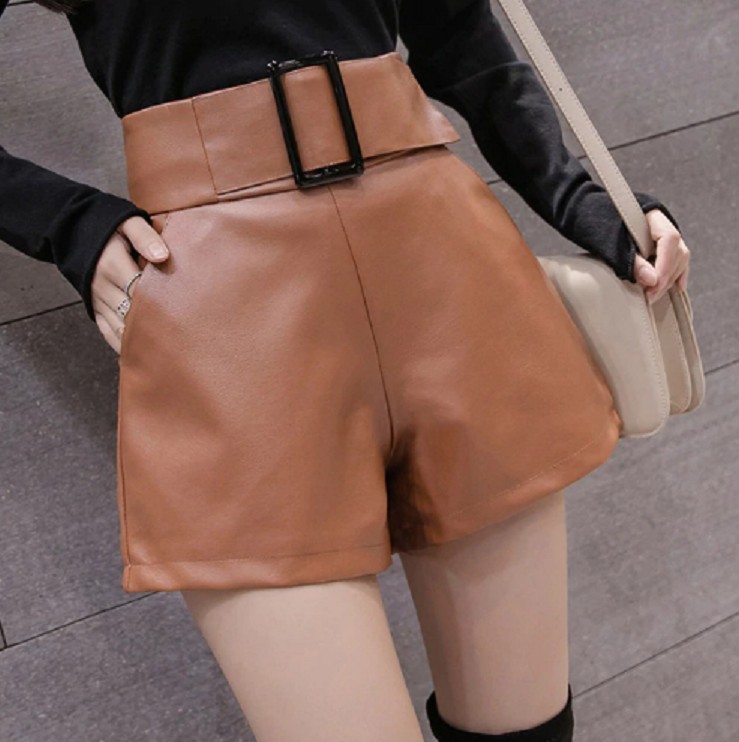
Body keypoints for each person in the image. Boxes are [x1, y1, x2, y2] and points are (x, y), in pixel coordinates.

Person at [0, 1, 691, 740]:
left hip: (443, 268)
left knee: (526, 730)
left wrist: (584, 201)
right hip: (230, 316)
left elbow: (459, 34)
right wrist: (70, 225)